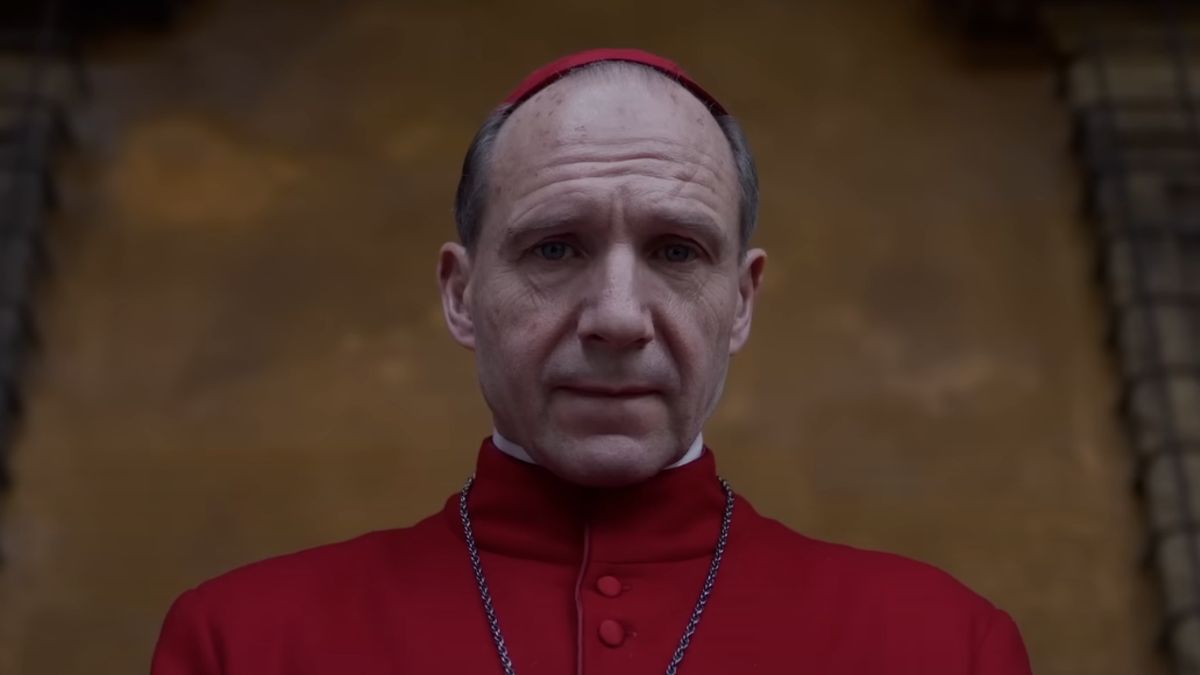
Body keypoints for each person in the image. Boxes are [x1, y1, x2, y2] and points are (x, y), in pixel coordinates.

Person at [151, 48, 1032, 675]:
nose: (617, 318)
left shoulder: (946, 646)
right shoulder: (242, 643)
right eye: (557, 249)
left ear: (743, 301)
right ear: (461, 294)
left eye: (678, 251)